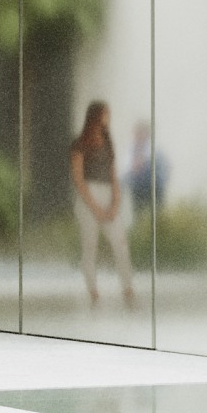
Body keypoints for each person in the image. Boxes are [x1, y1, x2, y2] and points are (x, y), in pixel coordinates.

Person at [69, 100, 137, 309]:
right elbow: (79, 180)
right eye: (106, 114)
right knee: (90, 246)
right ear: (96, 116)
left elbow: (113, 174)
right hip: (88, 196)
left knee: (120, 243)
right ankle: (93, 291)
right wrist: (95, 207)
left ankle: (128, 288)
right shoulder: (79, 144)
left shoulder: (108, 141)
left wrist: (115, 201)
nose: (108, 119)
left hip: (108, 193)